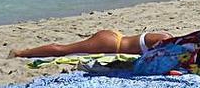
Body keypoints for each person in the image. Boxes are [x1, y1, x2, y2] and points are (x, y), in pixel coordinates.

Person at [10, 30, 173, 57]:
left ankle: (23, 52)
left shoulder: (167, 36)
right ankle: (20, 53)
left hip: (114, 36)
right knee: (63, 50)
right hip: (110, 45)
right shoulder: (164, 42)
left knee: (65, 49)